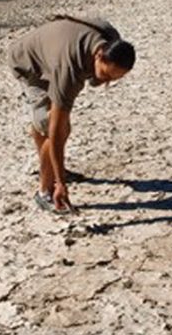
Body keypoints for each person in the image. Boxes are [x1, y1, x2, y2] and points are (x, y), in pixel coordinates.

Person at [8, 15, 136, 214]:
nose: (106, 82)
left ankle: (50, 164)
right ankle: (45, 192)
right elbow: (57, 132)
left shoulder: (113, 41)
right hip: (28, 62)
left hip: (51, 50)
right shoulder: (69, 70)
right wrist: (60, 184)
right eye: (106, 76)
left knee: (46, 124)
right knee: (56, 127)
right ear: (99, 56)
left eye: (116, 79)